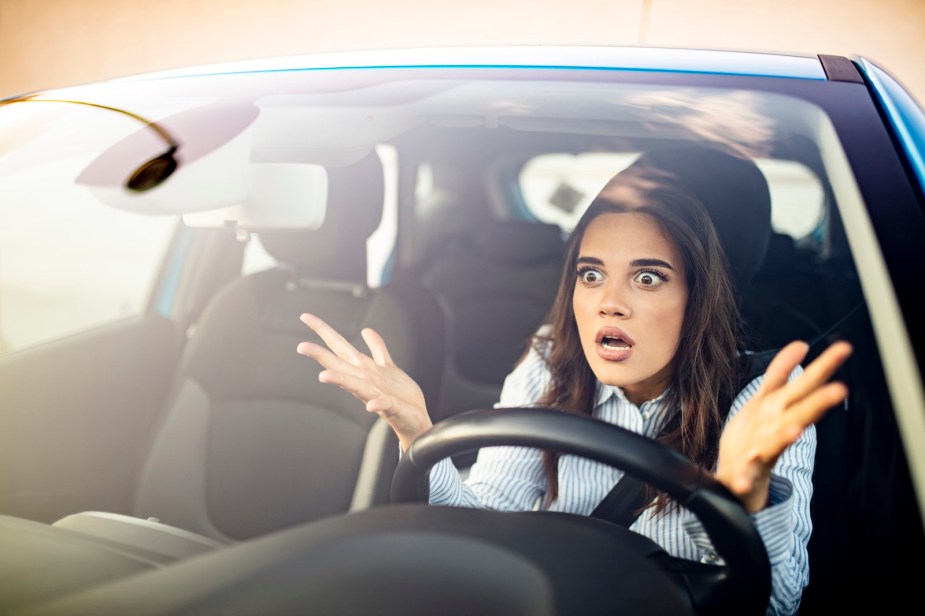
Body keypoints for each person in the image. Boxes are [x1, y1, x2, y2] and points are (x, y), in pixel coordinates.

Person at [296, 146, 852, 615]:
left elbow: (776, 604)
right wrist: (419, 433)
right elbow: (489, 514)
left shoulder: (761, 394)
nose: (610, 303)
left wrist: (741, 498)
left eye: (648, 277)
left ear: (698, 296)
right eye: (592, 275)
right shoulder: (550, 359)